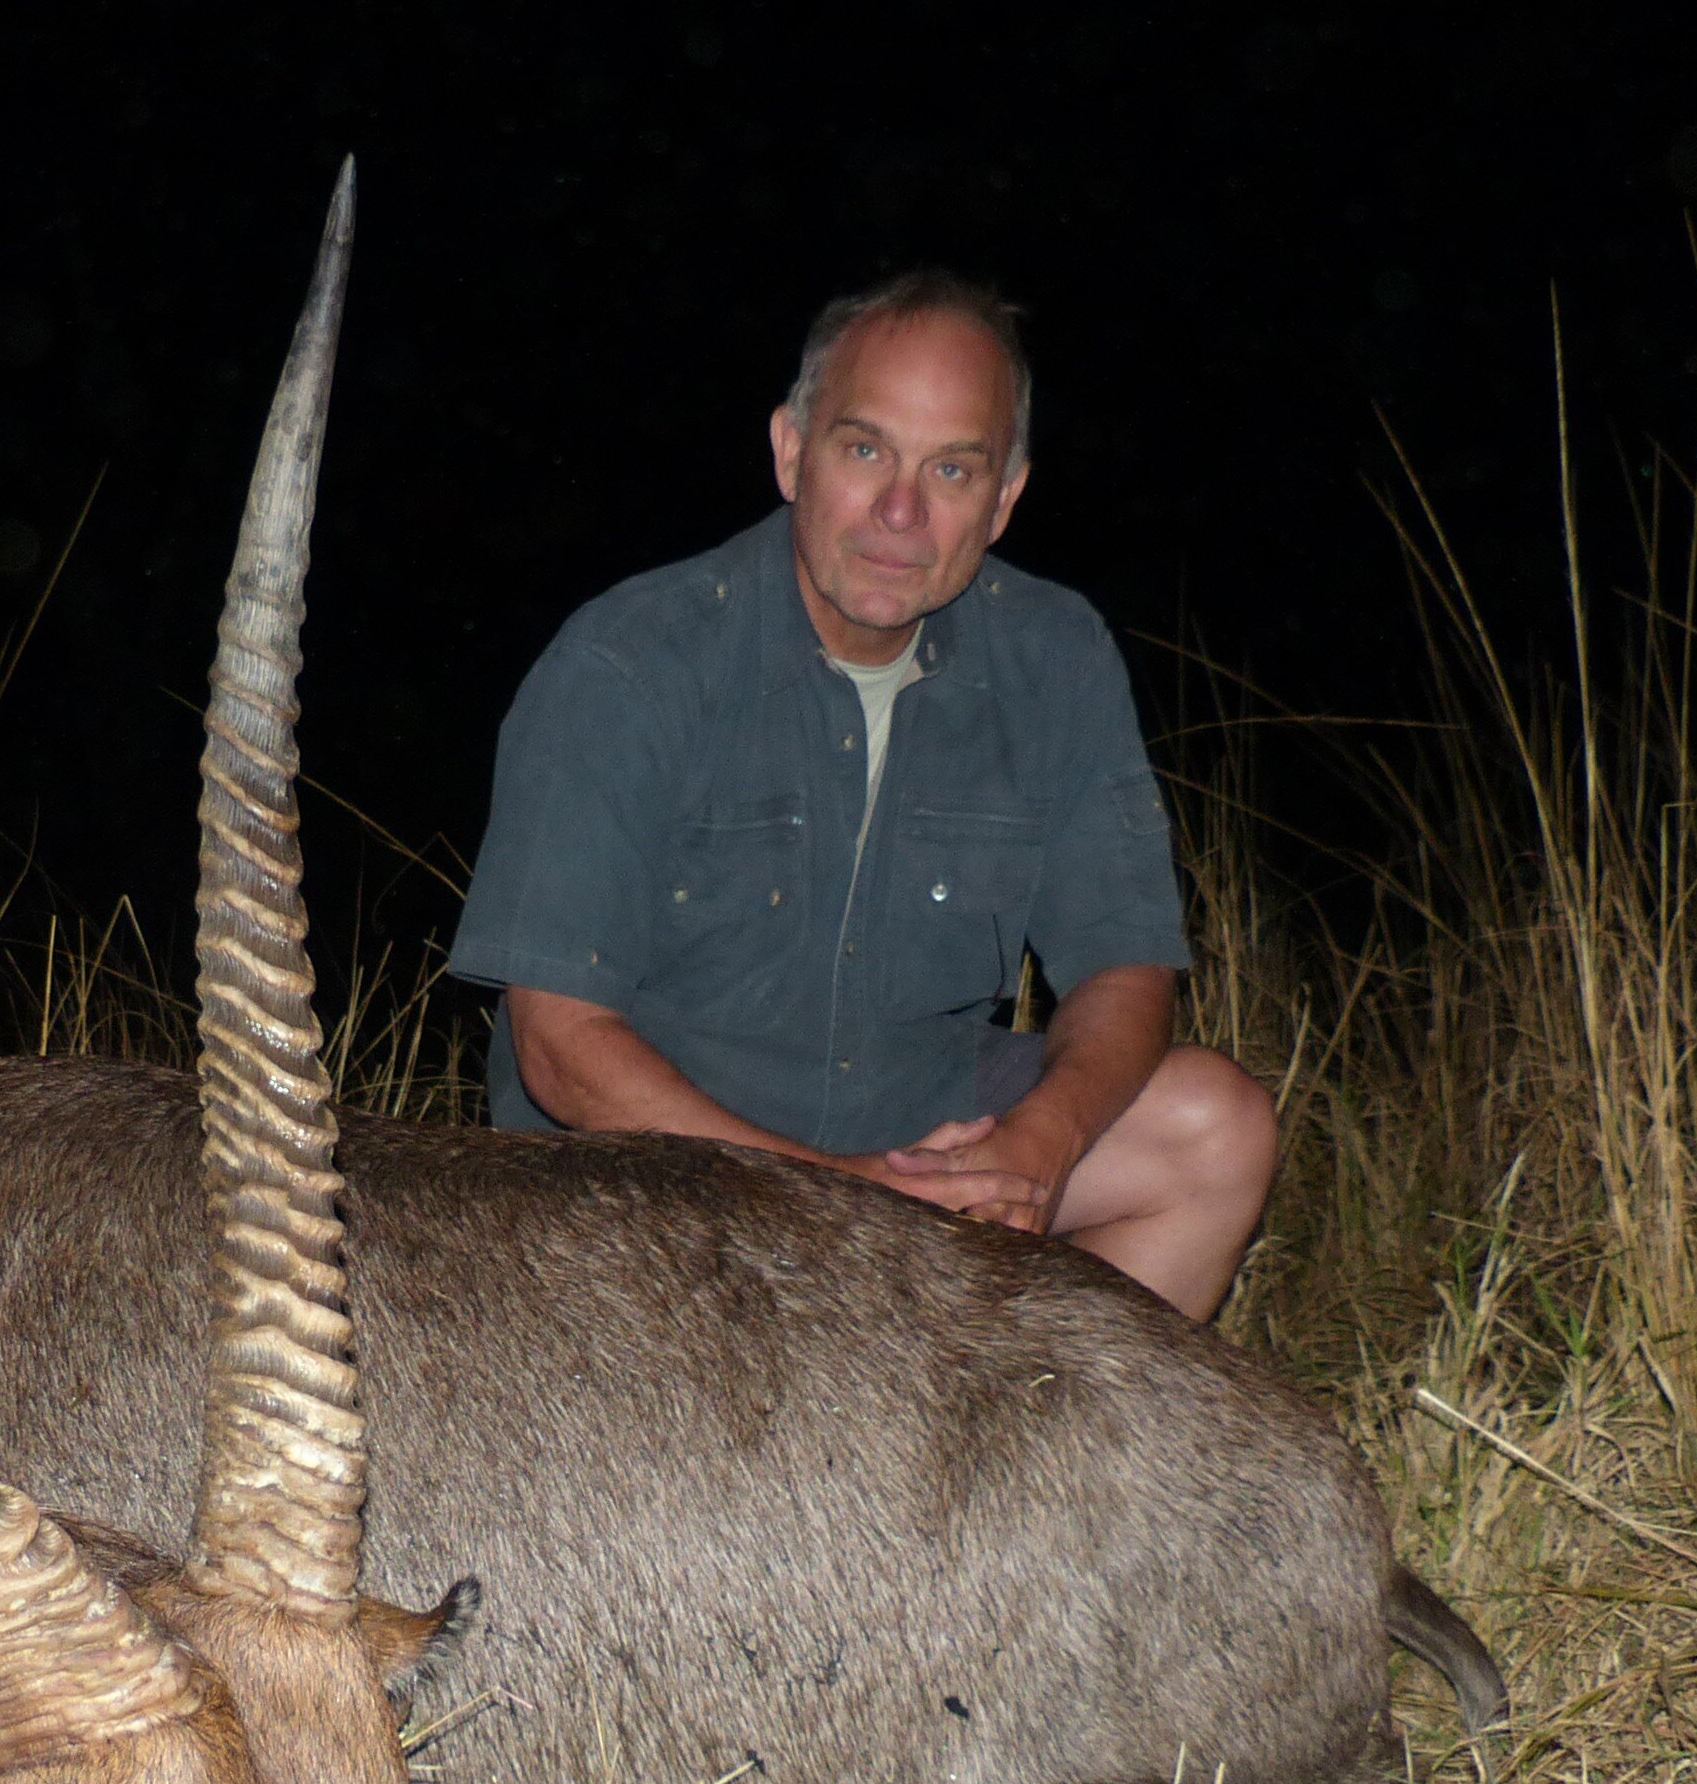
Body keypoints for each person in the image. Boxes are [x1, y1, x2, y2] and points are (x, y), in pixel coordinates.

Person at [447, 270, 1276, 1319]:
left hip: (915, 1156)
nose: (900, 510)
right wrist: (835, 1201)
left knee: (1213, 1126)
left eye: (952, 468)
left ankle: (1025, 1463)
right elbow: (561, 1051)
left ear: (1004, 499)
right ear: (791, 450)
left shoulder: (1053, 655)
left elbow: (1124, 964)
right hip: (657, 1187)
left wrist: (1037, 1145)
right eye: (865, 448)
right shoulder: (629, 661)